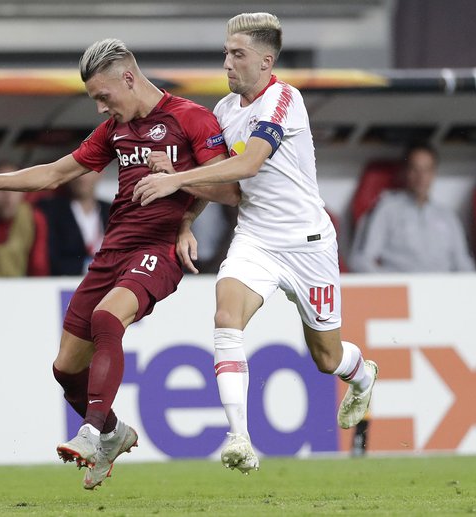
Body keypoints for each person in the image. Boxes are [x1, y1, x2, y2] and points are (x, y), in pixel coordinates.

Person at [0, 38, 238, 489]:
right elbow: (57, 173)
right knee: (65, 368)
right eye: (94, 100)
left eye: (104, 96)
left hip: (157, 251)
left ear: (128, 77)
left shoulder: (192, 118)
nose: (100, 108)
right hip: (112, 251)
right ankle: (115, 432)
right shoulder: (116, 131)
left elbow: (229, 189)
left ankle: (90, 433)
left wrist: (177, 182)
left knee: (106, 318)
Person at [134, 12, 378, 474]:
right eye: (226, 52)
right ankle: (239, 438)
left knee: (327, 358)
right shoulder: (224, 112)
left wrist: (175, 180)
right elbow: (226, 186)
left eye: (237, 54)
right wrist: (186, 219)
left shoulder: (284, 101)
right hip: (256, 239)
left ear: (266, 62)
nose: (227, 63)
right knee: (226, 316)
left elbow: (248, 167)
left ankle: (362, 375)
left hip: (307, 245)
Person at [348, 143, 476, 272]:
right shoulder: (387, 210)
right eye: (415, 169)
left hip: (443, 288)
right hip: (400, 287)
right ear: (405, 171)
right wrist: (388, 285)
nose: (421, 177)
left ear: (434, 173)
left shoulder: (447, 215)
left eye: (426, 170)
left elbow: (463, 261)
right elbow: (362, 260)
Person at [37, 170, 111, 276]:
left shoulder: (113, 211)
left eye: (88, 171)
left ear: (100, 173)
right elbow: (50, 259)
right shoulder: (51, 210)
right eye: (77, 172)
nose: (82, 179)